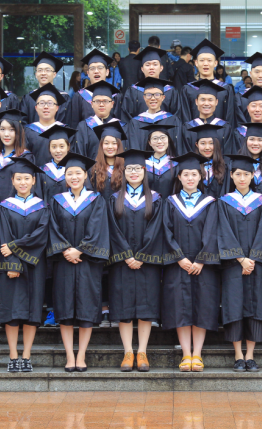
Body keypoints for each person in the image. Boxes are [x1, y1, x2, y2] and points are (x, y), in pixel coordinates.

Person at [47, 152, 111, 372]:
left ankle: (81, 355)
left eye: (78, 173)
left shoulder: (96, 200)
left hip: (87, 263)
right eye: (69, 174)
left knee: (86, 310)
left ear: (85, 175)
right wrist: (66, 250)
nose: (74, 177)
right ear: (65, 177)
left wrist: (80, 250)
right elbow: (52, 227)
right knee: (65, 310)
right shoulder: (56, 200)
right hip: (64, 261)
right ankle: (69, 355)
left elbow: (98, 227)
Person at [162, 152, 223, 373]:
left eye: (194, 174)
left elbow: (212, 231)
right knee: (180, 307)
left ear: (201, 177)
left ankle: (197, 354)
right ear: (179, 177)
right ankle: (185, 354)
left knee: (201, 307)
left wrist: (201, 259)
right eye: (186, 174)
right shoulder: (170, 202)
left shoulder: (210, 203)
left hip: (202, 266)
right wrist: (179, 257)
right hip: (177, 263)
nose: (190, 178)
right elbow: (166, 231)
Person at [217, 154, 262, 373]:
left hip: (256, 264)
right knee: (234, 307)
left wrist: (253, 259)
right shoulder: (224, 202)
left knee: (255, 307)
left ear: (253, 176)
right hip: (233, 265)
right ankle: (238, 355)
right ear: (232, 176)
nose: (242, 178)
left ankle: (250, 356)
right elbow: (223, 231)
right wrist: (241, 258)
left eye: (246, 174)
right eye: (238, 174)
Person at [107, 149, 165, 372]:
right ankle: (127, 352)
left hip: (146, 262)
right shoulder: (114, 198)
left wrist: (141, 255)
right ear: (123, 172)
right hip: (122, 262)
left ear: (144, 171)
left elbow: (156, 228)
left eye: (137, 169)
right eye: (129, 169)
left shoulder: (156, 199)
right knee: (123, 308)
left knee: (145, 308)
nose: (133, 172)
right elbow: (112, 229)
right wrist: (127, 255)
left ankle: (142, 352)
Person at [0, 157, 51, 373]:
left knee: (31, 312)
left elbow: (41, 235)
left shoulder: (43, 207)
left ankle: (26, 355)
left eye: (27, 178)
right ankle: (13, 355)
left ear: (34, 180)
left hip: (35, 266)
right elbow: (2, 236)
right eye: (19, 179)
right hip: (11, 268)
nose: (23, 182)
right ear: (12, 181)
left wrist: (15, 246)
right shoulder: (4, 207)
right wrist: (12, 263)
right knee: (11, 311)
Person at [179, 40, 236, 124]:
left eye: (209, 60)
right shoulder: (188, 89)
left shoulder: (225, 89)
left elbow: (230, 118)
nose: (205, 64)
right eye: (202, 60)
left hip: (221, 132)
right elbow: (185, 119)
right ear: (196, 63)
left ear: (215, 63)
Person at [120, 46, 179, 122]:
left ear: (161, 68)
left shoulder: (170, 91)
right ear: (142, 69)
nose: (151, 68)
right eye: (147, 65)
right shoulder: (133, 91)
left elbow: (176, 118)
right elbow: (126, 118)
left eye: (155, 64)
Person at [124, 77, 183, 152]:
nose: (153, 98)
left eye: (157, 94)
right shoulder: (135, 122)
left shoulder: (173, 120)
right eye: (148, 95)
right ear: (144, 97)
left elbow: (178, 147)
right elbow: (134, 147)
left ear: (163, 97)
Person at [0, 109, 32, 202]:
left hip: (13, 208)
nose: (6, 134)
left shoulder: (26, 157)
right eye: (2, 129)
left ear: (19, 132)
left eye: (11, 130)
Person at [67, 49, 120, 126]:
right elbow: (74, 124)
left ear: (107, 72)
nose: (96, 71)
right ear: (88, 73)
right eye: (92, 68)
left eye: (100, 67)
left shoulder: (116, 96)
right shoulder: (79, 96)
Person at [180, 79, 234, 154]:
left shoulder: (225, 128)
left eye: (210, 100)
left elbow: (227, 155)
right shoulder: (187, 128)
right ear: (196, 102)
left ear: (216, 102)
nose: (206, 103)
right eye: (202, 100)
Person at [72, 80, 124, 159]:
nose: (101, 104)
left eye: (105, 101)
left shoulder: (121, 127)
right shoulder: (83, 127)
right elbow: (80, 156)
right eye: (97, 101)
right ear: (92, 104)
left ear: (112, 104)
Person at [24, 83, 69, 167]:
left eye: (50, 103)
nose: (46, 107)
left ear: (57, 108)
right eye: (41, 103)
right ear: (36, 108)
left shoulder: (65, 130)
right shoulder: (27, 131)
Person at [20, 52, 70, 125]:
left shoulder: (64, 97)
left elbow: (69, 122)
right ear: (36, 74)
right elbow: (23, 123)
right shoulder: (28, 98)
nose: (43, 73)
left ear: (54, 74)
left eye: (47, 70)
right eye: (40, 70)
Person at [233, 123, 262, 198]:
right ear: (246, 141)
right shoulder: (235, 164)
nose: (255, 143)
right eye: (251, 139)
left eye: (260, 140)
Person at [232, 87, 262, 153]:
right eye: (253, 106)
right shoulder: (239, 133)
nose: (257, 110)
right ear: (248, 108)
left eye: (261, 106)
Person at [37, 125, 78, 199]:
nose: (58, 150)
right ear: (49, 148)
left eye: (62, 146)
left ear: (68, 147)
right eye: (54, 147)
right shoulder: (42, 171)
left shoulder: (75, 169)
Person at [187, 123, 227, 198]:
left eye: (211, 143)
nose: (207, 147)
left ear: (216, 144)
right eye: (203, 143)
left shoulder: (225, 167)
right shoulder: (190, 167)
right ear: (197, 145)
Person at [88, 122, 127, 200]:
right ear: (101, 145)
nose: (110, 147)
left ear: (119, 146)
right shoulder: (93, 169)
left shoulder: (126, 168)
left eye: (114, 143)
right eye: (106, 143)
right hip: (98, 207)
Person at [140, 122, 178, 200]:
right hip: (148, 205)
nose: (159, 141)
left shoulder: (176, 164)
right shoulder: (143, 165)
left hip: (169, 205)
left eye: (163, 138)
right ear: (149, 143)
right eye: (155, 138)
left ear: (168, 140)